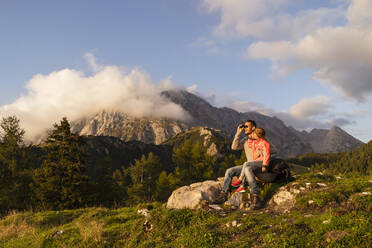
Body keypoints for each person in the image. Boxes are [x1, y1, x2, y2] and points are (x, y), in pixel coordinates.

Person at [214, 120, 256, 204]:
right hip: (246, 166)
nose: (245, 128)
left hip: (256, 166)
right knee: (229, 171)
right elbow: (234, 147)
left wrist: (260, 154)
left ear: (253, 128)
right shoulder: (245, 140)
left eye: (247, 126)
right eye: (244, 126)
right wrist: (238, 133)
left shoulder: (260, 139)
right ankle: (224, 194)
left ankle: (242, 185)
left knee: (245, 165)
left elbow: (272, 150)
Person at [232, 128, 270, 210]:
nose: (252, 135)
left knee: (246, 164)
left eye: (254, 134)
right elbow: (250, 145)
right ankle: (255, 194)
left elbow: (267, 155)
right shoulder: (257, 142)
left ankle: (240, 180)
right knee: (247, 169)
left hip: (261, 163)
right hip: (255, 162)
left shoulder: (265, 143)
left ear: (258, 135)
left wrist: (265, 165)